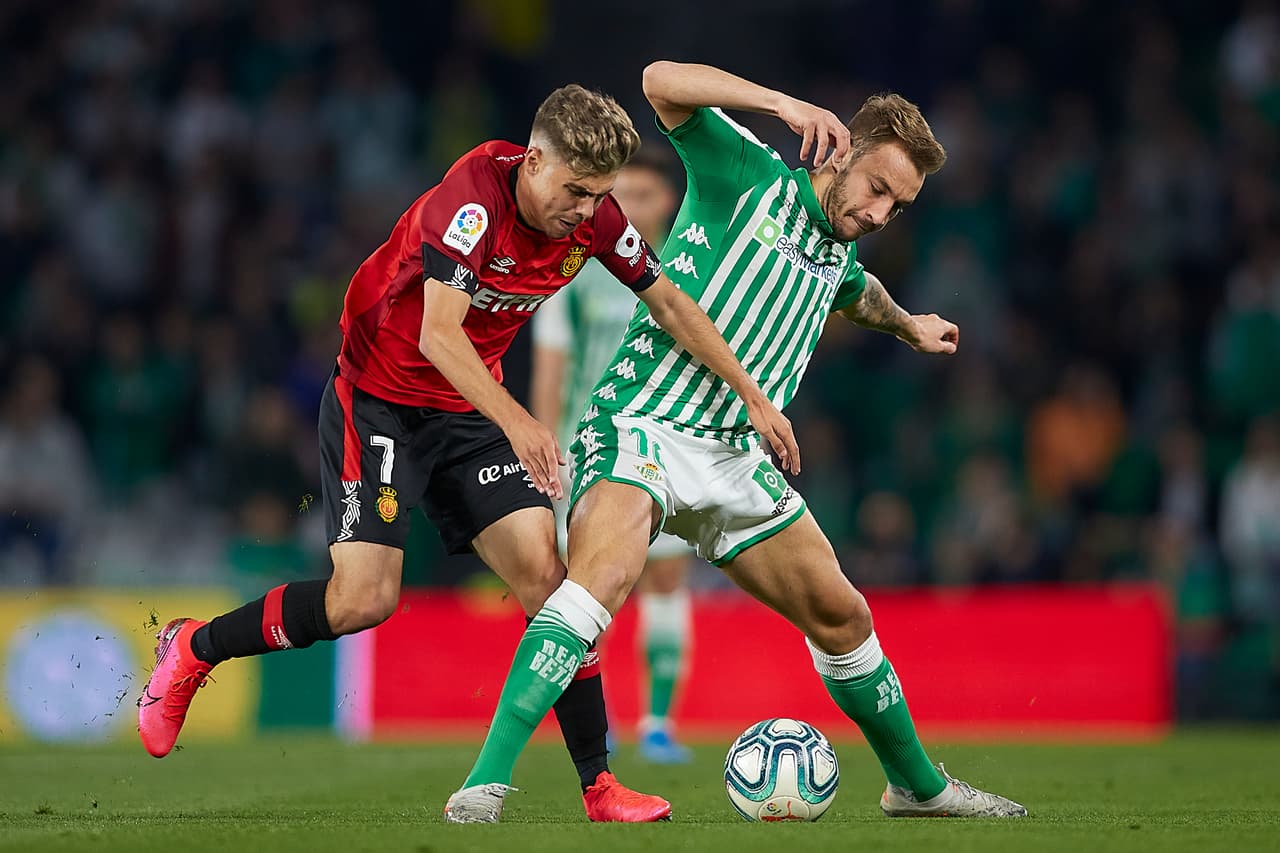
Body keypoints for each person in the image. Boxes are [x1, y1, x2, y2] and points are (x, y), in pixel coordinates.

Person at [137, 82, 798, 824]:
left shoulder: (594, 219)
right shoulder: (471, 203)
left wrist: (751, 392)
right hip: (381, 400)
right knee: (364, 600)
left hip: (467, 409)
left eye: (598, 196)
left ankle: (599, 785)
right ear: (534, 159)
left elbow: (670, 300)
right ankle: (193, 647)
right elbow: (438, 335)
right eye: (575, 191)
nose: (585, 210)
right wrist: (521, 422)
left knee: (554, 588)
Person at [447, 61, 1028, 821]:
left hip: (736, 456)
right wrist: (781, 103)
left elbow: (858, 292)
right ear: (844, 152)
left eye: (901, 204)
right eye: (879, 188)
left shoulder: (837, 251)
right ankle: (484, 783)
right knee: (597, 587)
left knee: (844, 614)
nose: (884, 212)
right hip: (642, 425)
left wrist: (909, 323)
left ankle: (916, 786)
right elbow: (658, 79)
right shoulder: (745, 170)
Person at [530, 150, 695, 764]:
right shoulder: (573, 270)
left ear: (669, 202)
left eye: (643, 194)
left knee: (666, 577)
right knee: (591, 587)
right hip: (587, 448)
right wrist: (544, 446)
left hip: (668, 443)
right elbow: (551, 367)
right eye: (617, 194)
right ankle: (603, 724)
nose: (627, 206)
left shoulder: (689, 270)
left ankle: (659, 723)